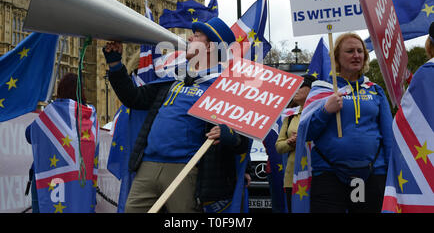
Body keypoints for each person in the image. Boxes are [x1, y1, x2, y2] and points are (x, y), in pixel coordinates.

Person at [103, 16, 248, 213]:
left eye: (196, 36)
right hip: (148, 165)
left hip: (185, 169)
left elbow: (242, 139)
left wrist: (228, 134)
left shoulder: (222, 87)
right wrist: (115, 66)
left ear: (210, 48)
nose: (189, 38)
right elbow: (134, 98)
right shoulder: (174, 79)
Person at [305, 32, 393, 213]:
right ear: (337, 57)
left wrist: (392, 175)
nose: (356, 55)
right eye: (350, 51)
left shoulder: (375, 90)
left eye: (360, 51)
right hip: (329, 175)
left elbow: (389, 137)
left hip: (372, 175)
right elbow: (307, 133)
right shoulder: (321, 90)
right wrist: (325, 111)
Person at [25, 72, 97, 212]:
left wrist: (46, 114)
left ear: (60, 90)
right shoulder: (89, 115)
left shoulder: (52, 113)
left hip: (46, 177)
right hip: (77, 180)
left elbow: (29, 135)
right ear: (80, 91)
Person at [275, 74, 316, 213]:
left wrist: (305, 138)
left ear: (311, 89)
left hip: (315, 175)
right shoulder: (290, 115)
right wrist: (290, 142)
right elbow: (279, 147)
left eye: (300, 86)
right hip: (292, 178)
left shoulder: (320, 112)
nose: (295, 90)